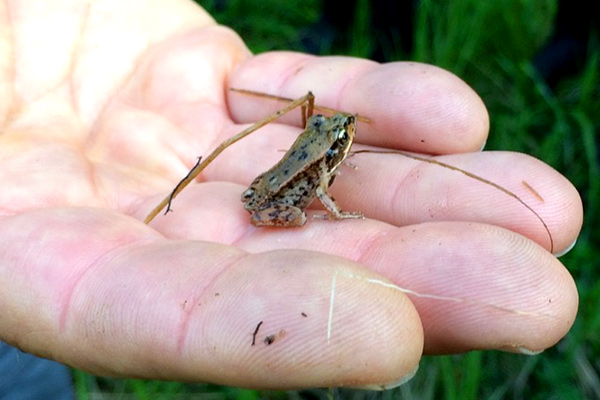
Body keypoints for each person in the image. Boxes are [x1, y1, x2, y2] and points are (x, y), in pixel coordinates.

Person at [0, 0, 583, 393]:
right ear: (329, 145)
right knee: (299, 212)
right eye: (339, 138)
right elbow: (322, 193)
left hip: (268, 182)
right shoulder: (325, 164)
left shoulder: (320, 142)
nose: (344, 139)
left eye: (338, 137)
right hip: (277, 193)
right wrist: (331, 214)